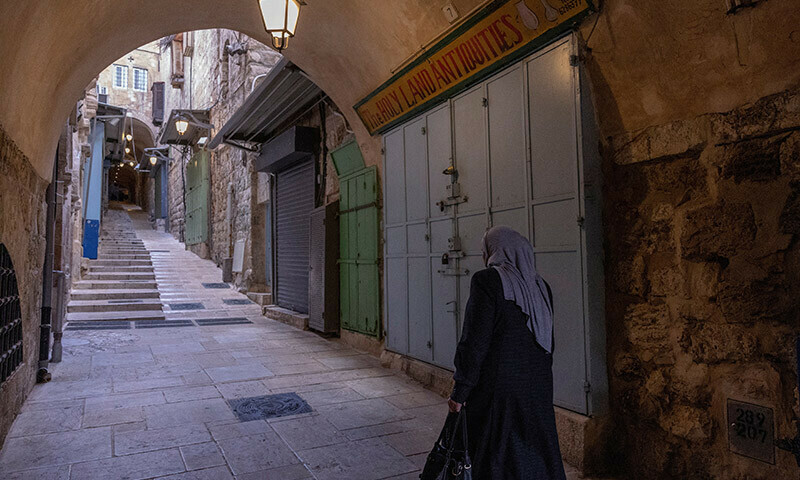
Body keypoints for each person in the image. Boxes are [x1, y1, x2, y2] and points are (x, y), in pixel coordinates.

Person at [449, 226, 566, 479]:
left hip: (498, 393)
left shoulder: (487, 281)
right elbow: (549, 343)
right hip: (537, 391)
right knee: (534, 458)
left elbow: (474, 342)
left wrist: (460, 391)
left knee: (496, 461)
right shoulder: (541, 286)